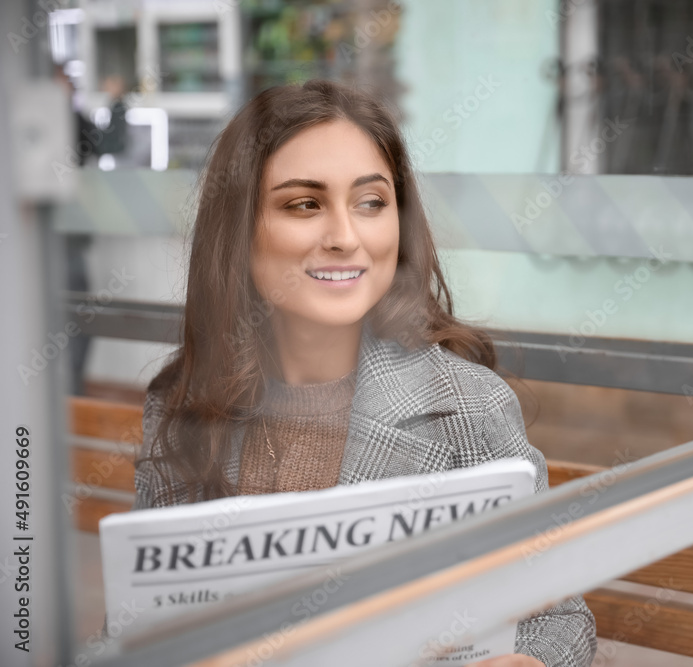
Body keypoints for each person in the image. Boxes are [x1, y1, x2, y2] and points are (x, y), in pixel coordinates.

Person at [133, 79, 597, 667]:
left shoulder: (468, 407)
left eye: (371, 202)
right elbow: (135, 624)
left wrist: (530, 662)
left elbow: (560, 621)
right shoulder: (182, 404)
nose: (345, 238)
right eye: (304, 204)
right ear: (238, 230)